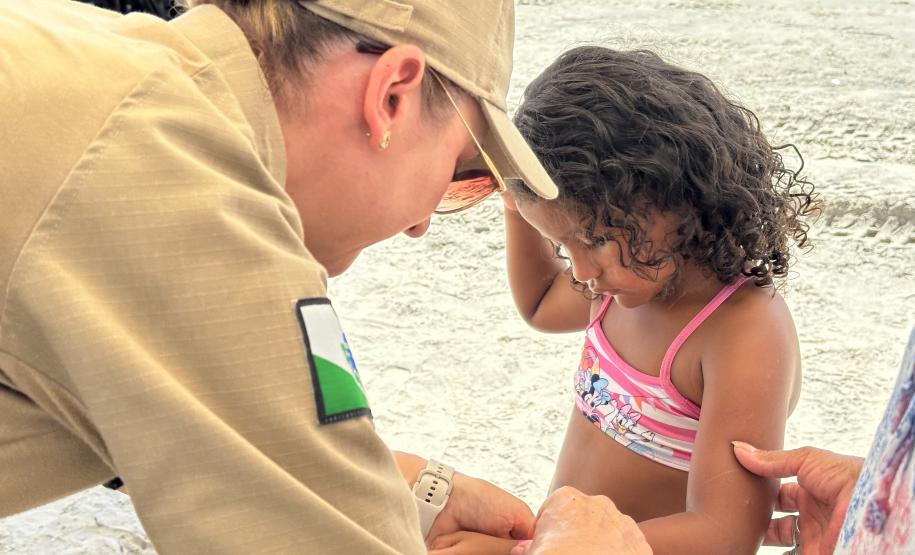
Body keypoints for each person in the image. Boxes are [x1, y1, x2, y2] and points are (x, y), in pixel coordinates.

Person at [0, 0, 564, 552]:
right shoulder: (183, 182)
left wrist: (403, 492)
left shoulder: (92, 67)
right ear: (392, 95)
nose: (421, 224)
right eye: (464, 172)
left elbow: (170, 411)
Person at [429, 46, 821, 554]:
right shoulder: (622, 283)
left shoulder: (742, 331)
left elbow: (725, 534)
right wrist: (516, 197)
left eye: (590, 241)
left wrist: (527, 552)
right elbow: (542, 303)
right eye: (560, 248)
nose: (582, 273)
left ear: (672, 196)